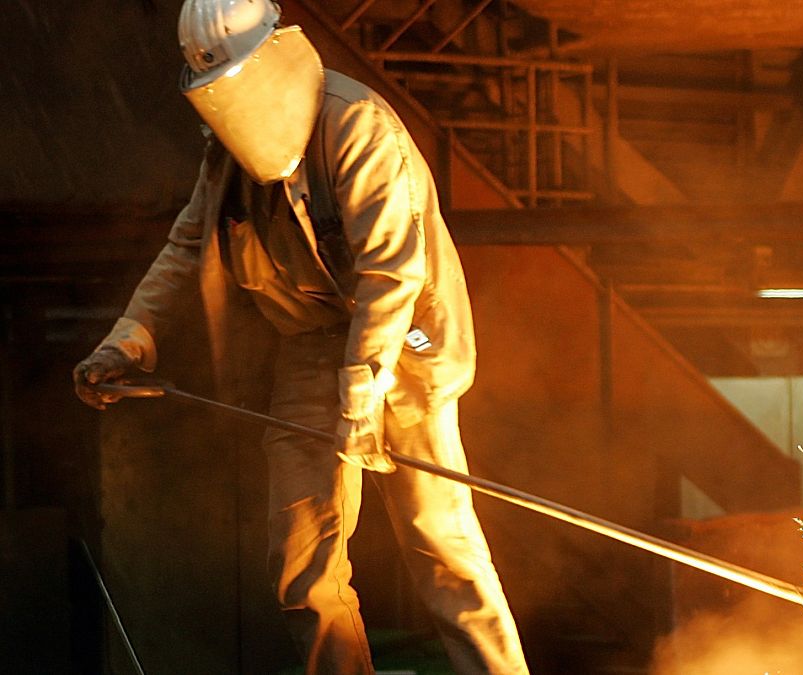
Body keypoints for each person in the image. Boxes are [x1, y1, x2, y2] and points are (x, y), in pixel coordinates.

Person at [72, 1, 528, 673]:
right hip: (314, 346)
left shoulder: (358, 127)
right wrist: (128, 338)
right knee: (300, 560)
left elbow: (391, 276)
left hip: (403, 352)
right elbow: (186, 246)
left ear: (272, 55)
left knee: (442, 549)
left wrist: (360, 401)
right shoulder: (227, 155)